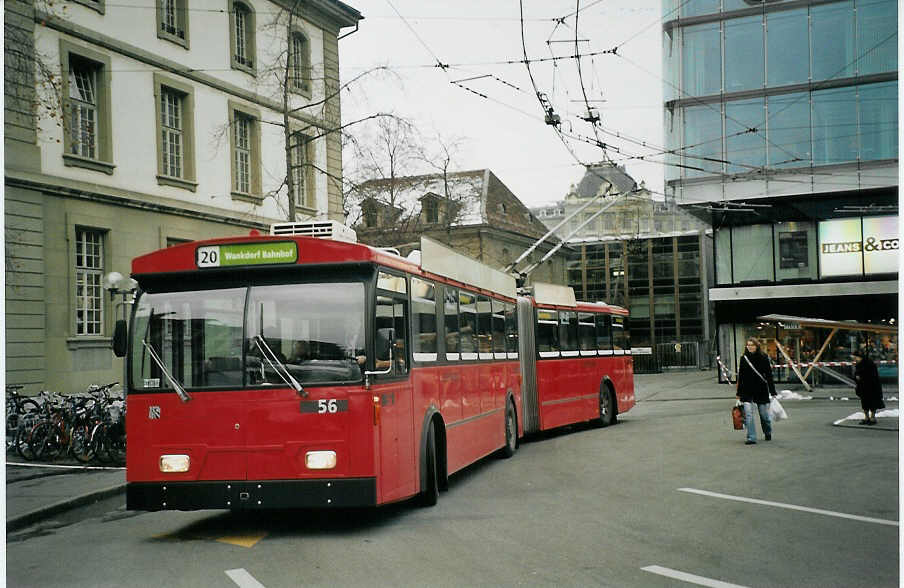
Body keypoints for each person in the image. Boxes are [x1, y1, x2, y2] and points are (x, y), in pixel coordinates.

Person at [736, 338, 777, 445]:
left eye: (752, 345)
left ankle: (767, 431)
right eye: (748, 345)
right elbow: (741, 376)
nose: (749, 347)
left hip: (761, 390)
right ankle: (751, 437)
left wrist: (772, 391)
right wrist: (738, 393)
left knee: (764, 416)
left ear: (757, 346)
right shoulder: (743, 358)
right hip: (746, 390)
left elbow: (769, 375)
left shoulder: (763, 358)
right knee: (748, 415)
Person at [853, 349, 884, 425]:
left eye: (855, 357)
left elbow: (872, 376)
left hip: (872, 387)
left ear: (860, 357)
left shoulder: (869, 363)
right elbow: (856, 374)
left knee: (872, 402)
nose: (854, 359)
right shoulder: (859, 364)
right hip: (863, 387)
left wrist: (861, 377)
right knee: (864, 403)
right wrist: (856, 377)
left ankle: (872, 418)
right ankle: (866, 417)